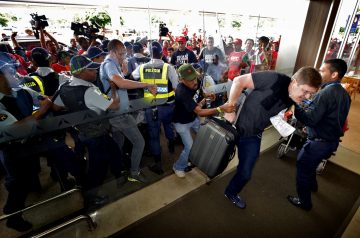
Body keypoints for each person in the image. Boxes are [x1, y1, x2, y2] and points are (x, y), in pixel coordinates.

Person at [220, 67, 322, 208]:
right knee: (217, 160)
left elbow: (277, 110)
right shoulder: (274, 79)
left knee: (245, 172)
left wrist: (282, 120)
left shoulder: (294, 97)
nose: (307, 97)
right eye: (305, 91)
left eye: (311, 94)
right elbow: (239, 81)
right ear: (293, 82)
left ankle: (230, 192)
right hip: (233, 126)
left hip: (252, 135)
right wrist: (230, 107)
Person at [54, 55, 125, 206]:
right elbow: (114, 105)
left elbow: (57, 106)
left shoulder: (64, 86)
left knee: (114, 152)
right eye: (92, 69)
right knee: (97, 168)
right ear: (81, 72)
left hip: (83, 131)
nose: (95, 72)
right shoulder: (90, 91)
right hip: (97, 133)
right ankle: (91, 198)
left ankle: (120, 174)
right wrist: (114, 90)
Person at [287, 59, 351, 211]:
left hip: (319, 142)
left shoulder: (326, 92)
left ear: (334, 74)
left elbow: (311, 119)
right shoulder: (343, 93)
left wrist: (296, 104)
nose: (319, 72)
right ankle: (313, 186)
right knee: (312, 165)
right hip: (331, 141)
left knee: (303, 167)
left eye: (323, 70)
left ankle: (304, 202)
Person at [0, 52, 53, 231]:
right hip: (12, 149)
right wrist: (41, 111)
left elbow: (42, 98)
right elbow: (14, 128)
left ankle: (15, 205)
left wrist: (46, 103)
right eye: (10, 72)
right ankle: (13, 217)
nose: (16, 74)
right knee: (18, 183)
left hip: (29, 144)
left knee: (27, 178)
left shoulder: (21, 91)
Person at [99, 39, 157, 183]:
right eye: (121, 54)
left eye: (125, 53)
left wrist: (123, 70)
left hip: (119, 111)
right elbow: (120, 83)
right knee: (139, 142)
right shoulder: (109, 64)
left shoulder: (114, 64)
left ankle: (118, 169)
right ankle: (134, 172)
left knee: (119, 142)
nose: (123, 56)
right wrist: (147, 84)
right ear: (111, 52)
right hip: (118, 114)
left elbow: (121, 79)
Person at [172, 64, 227, 178]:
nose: (194, 81)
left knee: (204, 137)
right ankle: (178, 166)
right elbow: (200, 111)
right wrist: (220, 108)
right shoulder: (182, 92)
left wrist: (207, 95)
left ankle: (192, 157)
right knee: (190, 147)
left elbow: (200, 93)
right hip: (182, 123)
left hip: (192, 118)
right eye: (190, 79)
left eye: (195, 77)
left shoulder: (195, 83)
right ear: (182, 80)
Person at [132, 41, 179, 175]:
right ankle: (171, 144)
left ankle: (158, 163)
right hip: (167, 106)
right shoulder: (168, 68)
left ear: (149, 53)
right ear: (161, 53)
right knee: (168, 125)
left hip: (150, 108)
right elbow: (176, 86)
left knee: (153, 136)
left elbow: (131, 78)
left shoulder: (141, 68)